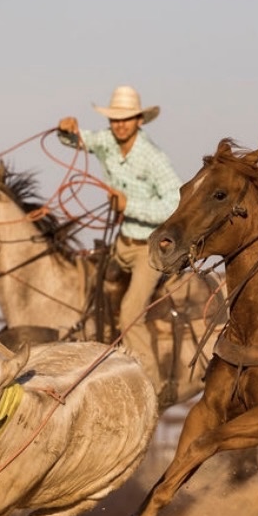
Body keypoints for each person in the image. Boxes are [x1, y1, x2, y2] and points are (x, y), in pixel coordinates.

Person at [57, 85, 183, 390]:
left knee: (129, 312)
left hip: (150, 249)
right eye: (115, 119)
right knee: (88, 290)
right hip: (123, 241)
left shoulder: (153, 158)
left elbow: (176, 204)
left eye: (126, 119)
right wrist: (67, 131)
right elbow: (79, 140)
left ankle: (149, 384)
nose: (120, 124)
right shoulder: (107, 142)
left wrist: (130, 205)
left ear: (139, 120)